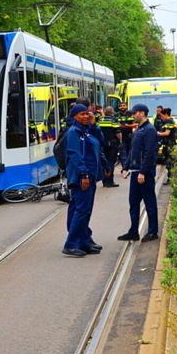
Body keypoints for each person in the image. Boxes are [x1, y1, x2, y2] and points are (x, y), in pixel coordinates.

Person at [62, 104, 104, 257]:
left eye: (87, 113)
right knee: (81, 210)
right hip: (81, 177)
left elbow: (101, 142)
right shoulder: (74, 132)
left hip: (91, 175)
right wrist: (84, 175)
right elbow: (75, 155)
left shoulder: (86, 130)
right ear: (74, 116)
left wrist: (94, 125)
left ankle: (84, 241)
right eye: (82, 114)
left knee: (85, 210)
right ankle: (71, 244)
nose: (86, 116)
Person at [118, 104, 159, 243]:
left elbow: (149, 153)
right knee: (134, 202)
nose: (132, 116)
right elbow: (133, 150)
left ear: (142, 113)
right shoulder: (138, 130)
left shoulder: (150, 130)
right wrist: (126, 167)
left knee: (149, 202)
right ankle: (133, 231)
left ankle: (153, 231)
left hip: (144, 173)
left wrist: (143, 172)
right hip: (135, 171)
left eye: (134, 113)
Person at [97, 106, 121, 188]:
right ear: (112, 112)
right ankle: (110, 181)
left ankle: (104, 181)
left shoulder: (100, 120)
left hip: (102, 144)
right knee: (111, 162)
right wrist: (120, 141)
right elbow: (118, 133)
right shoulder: (113, 120)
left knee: (104, 161)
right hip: (112, 144)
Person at [155, 107, 177, 185]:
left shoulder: (169, 122)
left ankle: (171, 178)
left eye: (162, 116)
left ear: (166, 114)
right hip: (167, 144)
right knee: (168, 161)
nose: (161, 117)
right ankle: (171, 178)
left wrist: (157, 133)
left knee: (169, 162)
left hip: (170, 144)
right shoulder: (167, 121)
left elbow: (167, 133)